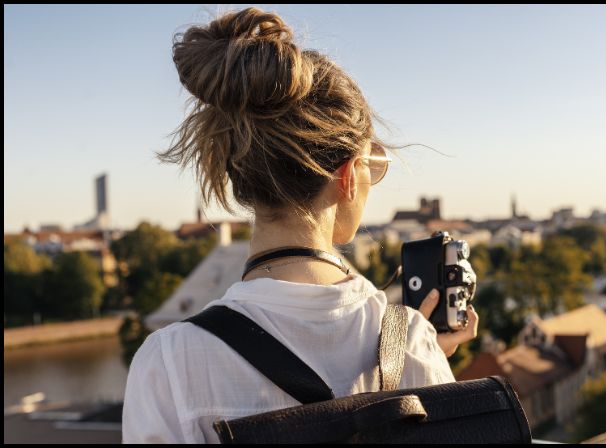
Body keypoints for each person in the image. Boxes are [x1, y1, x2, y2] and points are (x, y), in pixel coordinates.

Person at [122, 7, 478, 443]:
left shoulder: (169, 363)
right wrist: (419, 357)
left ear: (240, 176)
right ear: (347, 176)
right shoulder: (410, 344)